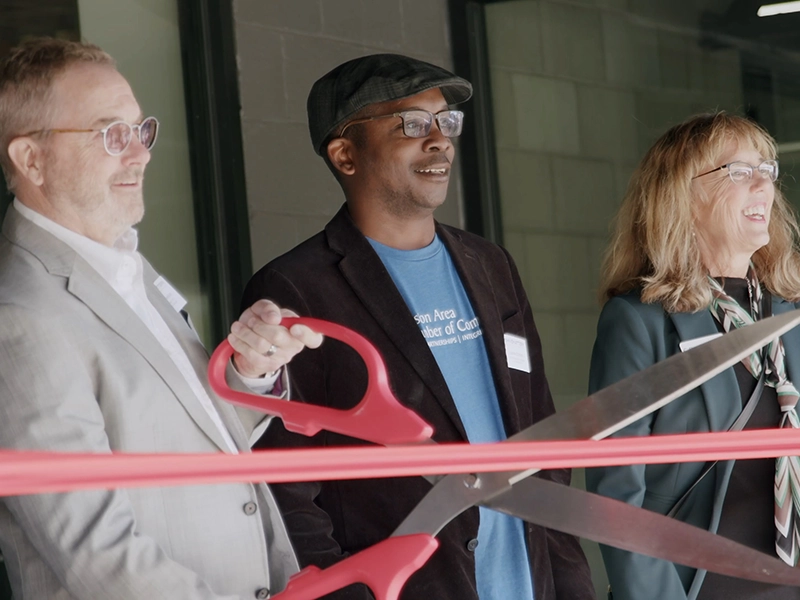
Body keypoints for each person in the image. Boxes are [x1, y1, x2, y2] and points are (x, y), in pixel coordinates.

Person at [240, 53, 594, 600]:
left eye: (445, 121)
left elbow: (543, 445)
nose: (440, 140)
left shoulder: (491, 265)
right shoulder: (296, 289)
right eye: (411, 124)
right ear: (345, 154)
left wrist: (571, 585)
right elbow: (285, 484)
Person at [0, 37, 322, 599]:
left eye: (140, 129)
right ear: (31, 160)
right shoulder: (18, 316)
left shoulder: (124, 265)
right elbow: (95, 553)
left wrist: (249, 371)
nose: (141, 153)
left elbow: (191, 439)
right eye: (111, 134)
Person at [585, 112, 800, 600]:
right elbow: (616, 492)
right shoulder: (640, 321)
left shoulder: (790, 311)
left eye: (766, 171)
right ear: (682, 196)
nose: (762, 185)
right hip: (697, 587)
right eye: (738, 172)